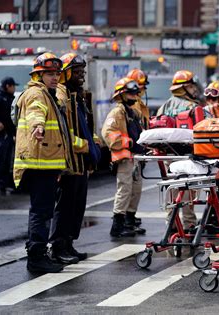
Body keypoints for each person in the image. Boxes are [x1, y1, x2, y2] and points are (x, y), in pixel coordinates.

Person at [14, 52, 71, 273]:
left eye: (57, 73)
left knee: (43, 210)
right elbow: (36, 113)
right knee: (41, 211)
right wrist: (38, 126)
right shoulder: (37, 94)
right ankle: (36, 258)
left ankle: (37, 252)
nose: (55, 77)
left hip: (45, 163)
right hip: (39, 164)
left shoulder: (50, 94)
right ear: (38, 75)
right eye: (49, 74)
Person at [49, 53, 101, 264]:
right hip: (69, 163)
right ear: (66, 73)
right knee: (65, 206)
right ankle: (58, 247)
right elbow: (61, 131)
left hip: (81, 163)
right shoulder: (61, 96)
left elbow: (85, 126)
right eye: (77, 72)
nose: (81, 76)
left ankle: (69, 243)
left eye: (83, 72)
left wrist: (94, 143)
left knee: (77, 206)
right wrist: (84, 146)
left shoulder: (78, 95)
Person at [156, 70, 203, 231]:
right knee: (188, 187)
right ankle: (189, 223)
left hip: (169, 155)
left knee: (172, 187)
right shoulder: (192, 106)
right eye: (191, 86)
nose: (194, 90)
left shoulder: (164, 106)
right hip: (187, 155)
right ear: (185, 88)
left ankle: (171, 223)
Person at [102, 78, 146, 237]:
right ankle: (117, 225)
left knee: (136, 190)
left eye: (135, 92)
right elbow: (107, 133)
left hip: (136, 157)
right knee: (124, 190)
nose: (134, 95)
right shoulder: (117, 112)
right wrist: (125, 142)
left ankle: (129, 221)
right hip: (125, 158)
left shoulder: (132, 112)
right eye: (130, 92)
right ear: (121, 94)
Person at [124, 68, 151, 229]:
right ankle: (126, 219)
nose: (142, 90)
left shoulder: (139, 104)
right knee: (128, 188)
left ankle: (130, 216)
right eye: (140, 87)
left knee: (136, 188)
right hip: (131, 152)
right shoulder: (131, 106)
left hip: (139, 150)